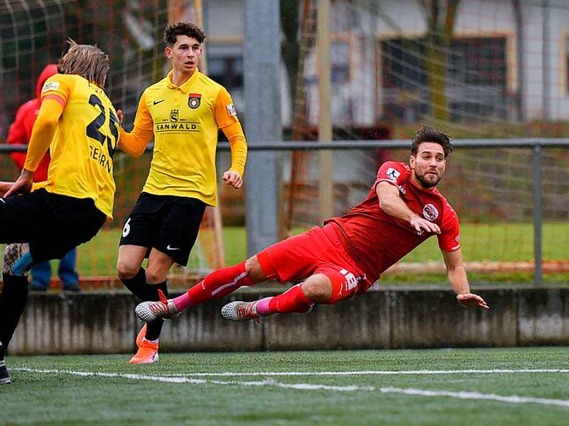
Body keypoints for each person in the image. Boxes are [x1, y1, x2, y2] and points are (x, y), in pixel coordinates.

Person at [135, 126, 490, 332]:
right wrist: (410, 218)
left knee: (317, 287)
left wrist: (462, 291)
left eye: (439, 158)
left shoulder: (444, 214)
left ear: (444, 166)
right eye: (426, 156)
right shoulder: (393, 171)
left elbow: (454, 266)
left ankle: (258, 309)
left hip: (356, 269)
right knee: (250, 269)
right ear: (412, 160)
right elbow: (386, 201)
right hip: (328, 238)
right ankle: (175, 306)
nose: (432, 163)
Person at [116, 21, 248, 364]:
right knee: (126, 268)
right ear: (169, 52)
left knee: (156, 273)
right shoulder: (152, 95)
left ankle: (150, 345)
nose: (191, 55)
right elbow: (134, 146)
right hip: (154, 190)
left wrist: (236, 168)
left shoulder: (215, 93)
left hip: (191, 194)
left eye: (196, 49)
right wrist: (115, 129)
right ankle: (164, 309)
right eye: (185, 48)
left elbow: (237, 138)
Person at [0, 41, 128, 385]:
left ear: (68, 64)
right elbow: (130, 148)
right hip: (90, 218)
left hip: (63, 203)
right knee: (15, 261)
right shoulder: (106, 107)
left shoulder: (63, 82)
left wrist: (27, 173)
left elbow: (44, 121)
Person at [6, 64, 80, 292]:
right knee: (42, 229)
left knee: (64, 230)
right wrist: (29, 165)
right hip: (39, 184)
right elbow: (13, 142)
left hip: (64, 183)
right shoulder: (29, 110)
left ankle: (68, 277)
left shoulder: (73, 111)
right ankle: (42, 278)